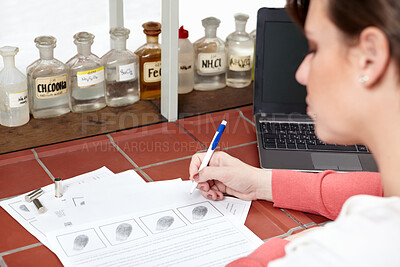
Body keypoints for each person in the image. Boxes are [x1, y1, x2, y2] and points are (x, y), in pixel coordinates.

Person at [189, 0, 400, 265]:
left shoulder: (356, 249)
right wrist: (259, 182)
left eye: (315, 48)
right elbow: (378, 189)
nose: (301, 74)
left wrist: (291, 246)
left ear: (371, 57)